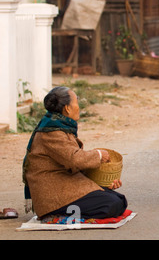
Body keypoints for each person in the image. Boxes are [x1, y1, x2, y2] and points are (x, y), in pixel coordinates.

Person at [22, 86, 127, 219]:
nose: (79, 107)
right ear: (67, 108)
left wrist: (103, 183)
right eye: (76, 103)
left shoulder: (57, 126)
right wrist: (98, 155)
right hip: (54, 196)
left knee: (118, 198)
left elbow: (73, 160)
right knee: (113, 204)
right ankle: (58, 214)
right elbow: (74, 159)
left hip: (65, 185)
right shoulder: (51, 132)